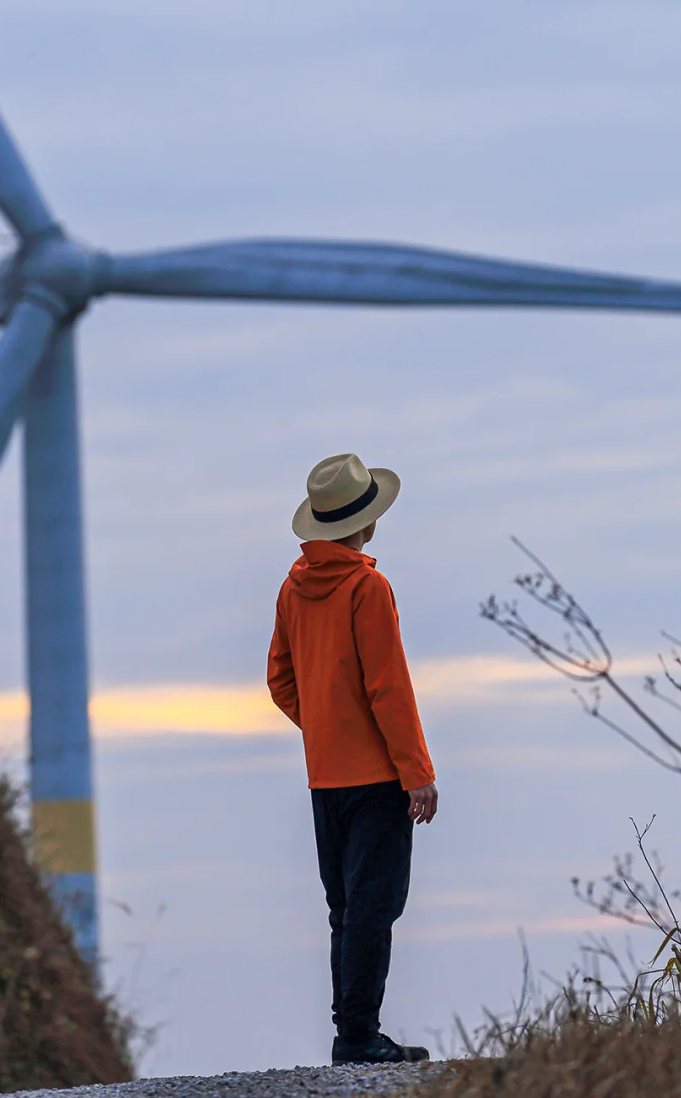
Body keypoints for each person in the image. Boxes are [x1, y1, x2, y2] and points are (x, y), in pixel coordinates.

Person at [267, 453, 438, 1066]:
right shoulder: (368, 588)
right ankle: (359, 1037)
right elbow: (388, 688)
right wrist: (417, 773)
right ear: (365, 522)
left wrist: (326, 730)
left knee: (345, 909)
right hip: (377, 777)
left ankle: (352, 1033)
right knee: (374, 907)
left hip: (325, 778)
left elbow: (280, 680)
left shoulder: (293, 588)